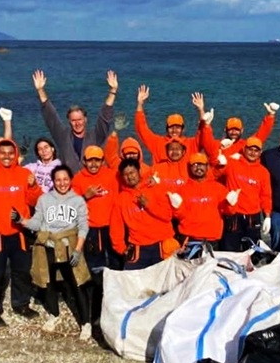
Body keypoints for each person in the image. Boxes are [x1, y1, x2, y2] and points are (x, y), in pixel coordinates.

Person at [13, 165, 92, 340]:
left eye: (65, 179)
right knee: (47, 282)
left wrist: (78, 250)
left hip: (69, 246)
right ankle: (54, 314)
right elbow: (36, 223)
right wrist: (20, 220)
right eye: (58, 180)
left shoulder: (78, 201)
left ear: (70, 180)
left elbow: (83, 227)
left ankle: (85, 322)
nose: (62, 183)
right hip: (47, 245)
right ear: (53, 181)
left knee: (76, 284)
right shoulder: (44, 199)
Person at [0, 139, 43, 327]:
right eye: (3, 153)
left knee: (22, 272)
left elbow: (35, 202)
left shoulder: (25, 174)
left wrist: (32, 187)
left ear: (16, 154)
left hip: (19, 232)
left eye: (10, 153)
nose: (7, 156)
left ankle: (21, 304)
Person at [32, 69, 118, 173]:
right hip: (68, 186)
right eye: (73, 120)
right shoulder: (62, 136)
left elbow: (104, 118)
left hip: (91, 184)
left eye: (80, 119)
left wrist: (113, 91)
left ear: (85, 119)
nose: (77, 123)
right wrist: (40, 90)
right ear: (69, 121)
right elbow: (51, 117)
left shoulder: (95, 136)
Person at [71, 145, 121, 325]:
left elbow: (131, 181)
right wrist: (86, 196)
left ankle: (115, 307)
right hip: (92, 231)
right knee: (95, 271)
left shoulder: (112, 175)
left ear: (102, 161)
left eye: (97, 160)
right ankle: (96, 312)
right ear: (84, 161)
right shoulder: (78, 179)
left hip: (113, 227)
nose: (93, 164)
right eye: (90, 160)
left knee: (116, 268)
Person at [110, 159, 178, 270]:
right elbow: (116, 227)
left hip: (162, 245)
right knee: (131, 282)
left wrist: (148, 205)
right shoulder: (121, 199)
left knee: (168, 283)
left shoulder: (156, 188)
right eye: (126, 174)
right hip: (138, 248)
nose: (130, 177)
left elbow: (168, 215)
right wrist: (121, 248)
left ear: (139, 171)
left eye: (132, 172)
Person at [170, 152, 236, 249]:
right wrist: (177, 208)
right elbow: (180, 216)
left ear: (207, 167)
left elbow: (228, 212)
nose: (198, 168)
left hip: (212, 240)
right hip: (189, 239)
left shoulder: (219, 188)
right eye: (195, 165)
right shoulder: (182, 190)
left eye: (201, 164)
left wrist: (231, 204)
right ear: (190, 167)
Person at [219, 136, 273, 251]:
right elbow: (215, 163)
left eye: (256, 150)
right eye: (250, 149)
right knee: (229, 250)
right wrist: (223, 149)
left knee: (253, 251)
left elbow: (266, 196)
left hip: (252, 217)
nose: (252, 153)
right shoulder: (232, 163)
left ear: (260, 152)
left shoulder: (263, 172)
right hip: (233, 214)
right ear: (244, 149)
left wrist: (267, 216)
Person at [134, 87, 205, 163]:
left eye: (177, 127)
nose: (174, 130)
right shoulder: (157, 143)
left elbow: (203, 132)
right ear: (166, 129)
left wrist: (201, 110)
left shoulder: (191, 144)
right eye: (171, 127)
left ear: (183, 129)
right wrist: (140, 104)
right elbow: (141, 128)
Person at [199, 102, 279, 161]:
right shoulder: (217, 145)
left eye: (237, 130)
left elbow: (261, 135)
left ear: (242, 130)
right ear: (225, 130)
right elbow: (206, 142)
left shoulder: (245, 145)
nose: (234, 132)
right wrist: (206, 125)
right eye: (231, 129)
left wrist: (270, 116)